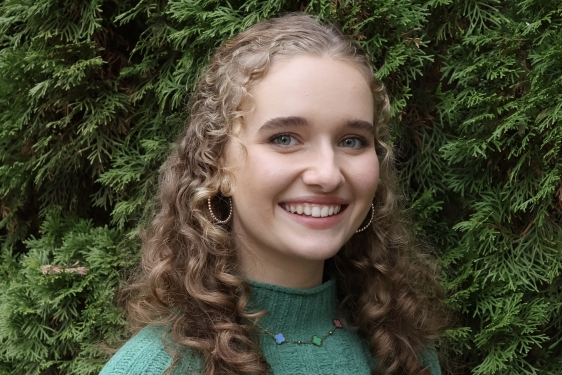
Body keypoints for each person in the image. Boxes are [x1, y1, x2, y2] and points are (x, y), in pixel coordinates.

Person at [100, 13, 448, 375]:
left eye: (352, 140)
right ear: (217, 165)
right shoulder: (157, 367)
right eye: (284, 139)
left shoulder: (403, 352)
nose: (327, 174)